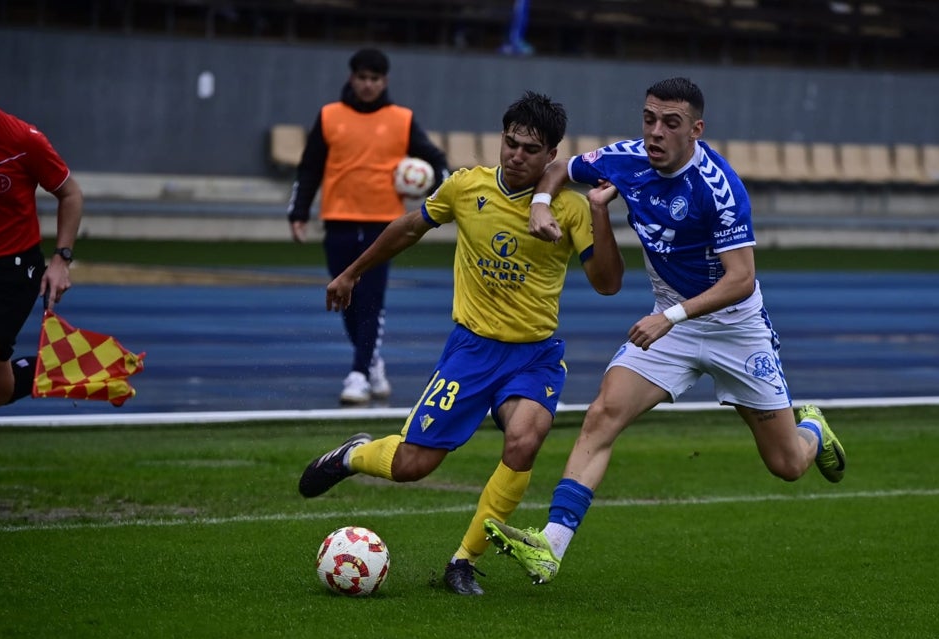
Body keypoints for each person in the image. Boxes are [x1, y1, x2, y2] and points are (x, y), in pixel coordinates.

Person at [483, 77, 846, 585]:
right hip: (671, 323)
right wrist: (541, 203)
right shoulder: (628, 158)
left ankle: (811, 427)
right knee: (602, 415)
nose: (654, 132)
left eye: (670, 123)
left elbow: (741, 280)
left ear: (695, 130)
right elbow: (561, 167)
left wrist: (669, 317)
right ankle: (551, 546)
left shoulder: (719, 187)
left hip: (733, 328)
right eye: (649, 118)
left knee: (787, 464)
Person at [296, 91, 624, 595]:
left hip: (534, 356)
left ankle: (462, 562)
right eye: (510, 143)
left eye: (530, 149)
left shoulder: (570, 208)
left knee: (525, 439)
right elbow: (409, 228)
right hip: (471, 352)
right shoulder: (465, 188)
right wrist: (352, 274)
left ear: (552, 155)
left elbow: (607, 283)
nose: (516, 155)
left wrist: (600, 212)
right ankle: (353, 455)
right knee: (412, 466)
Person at [287, 47, 450, 405]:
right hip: (339, 218)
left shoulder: (401, 119)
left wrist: (440, 195)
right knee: (344, 296)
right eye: (361, 78)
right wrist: (298, 211)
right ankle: (372, 363)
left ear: (384, 81)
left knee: (371, 300)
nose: (367, 85)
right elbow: (310, 167)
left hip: (383, 225)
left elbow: (438, 162)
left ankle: (359, 373)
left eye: (374, 79)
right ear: (352, 78)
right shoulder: (330, 116)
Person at [0, 40, 82, 451]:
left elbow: (71, 195)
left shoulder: (21, 138)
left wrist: (61, 259)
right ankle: (65, 368)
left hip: (9, 274)